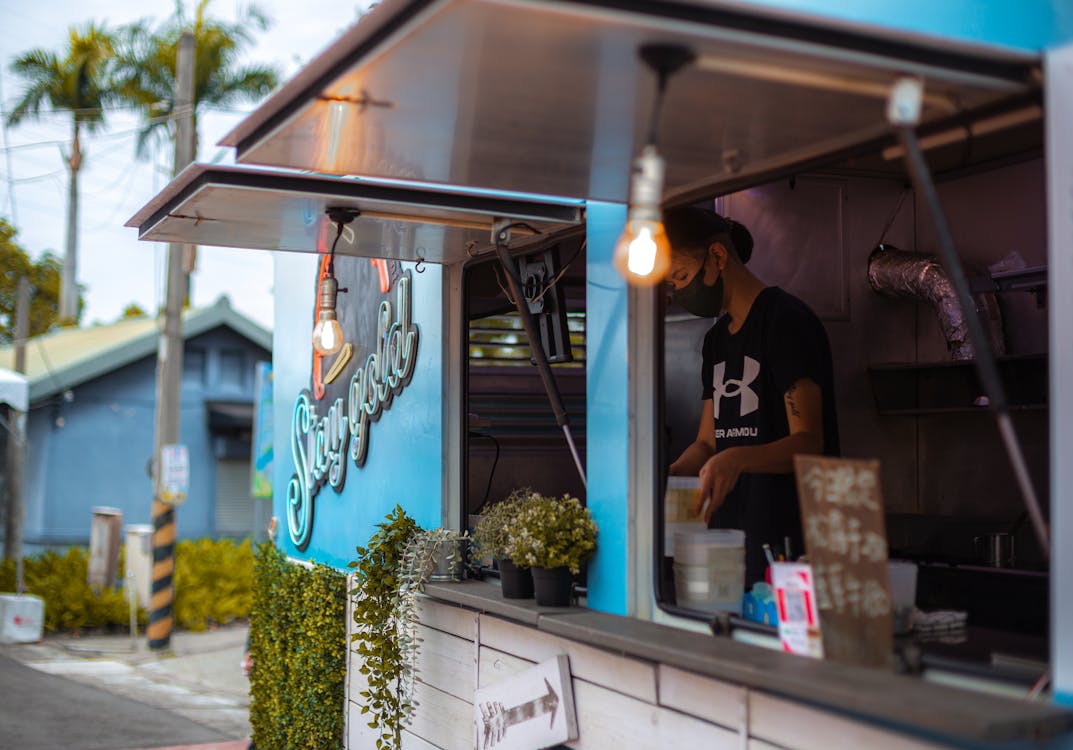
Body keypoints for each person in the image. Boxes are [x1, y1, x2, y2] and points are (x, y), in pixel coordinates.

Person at [666, 206, 840, 587]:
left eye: (680, 276)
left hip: (787, 541)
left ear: (717, 256)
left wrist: (738, 458)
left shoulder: (785, 321)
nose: (678, 292)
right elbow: (708, 442)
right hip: (728, 539)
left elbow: (810, 443)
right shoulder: (715, 341)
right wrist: (671, 473)